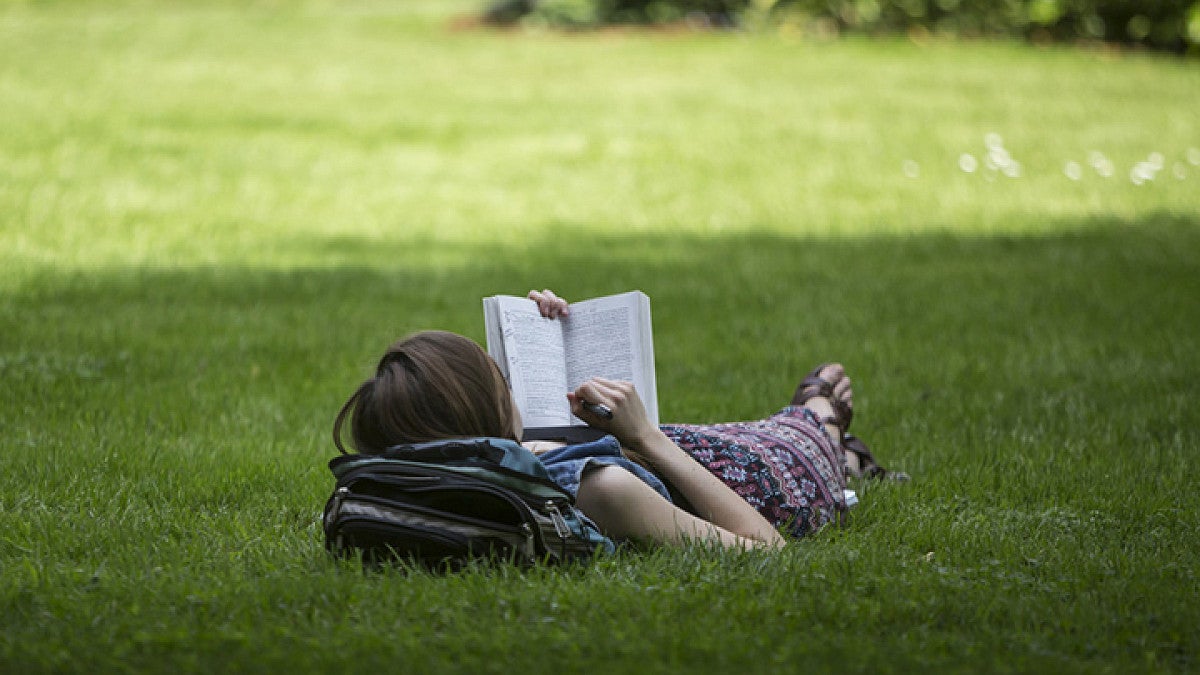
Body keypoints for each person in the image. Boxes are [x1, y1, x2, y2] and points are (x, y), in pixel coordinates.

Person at [333, 289, 901, 550]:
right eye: (501, 378)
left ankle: (842, 448)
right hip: (765, 484)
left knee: (770, 431)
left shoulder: (469, 472)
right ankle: (827, 427)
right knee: (807, 421)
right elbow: (766, 550)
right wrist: (647, 438)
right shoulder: (602, 489)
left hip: (686, 457)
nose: (509, 384)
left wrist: (547, 337)